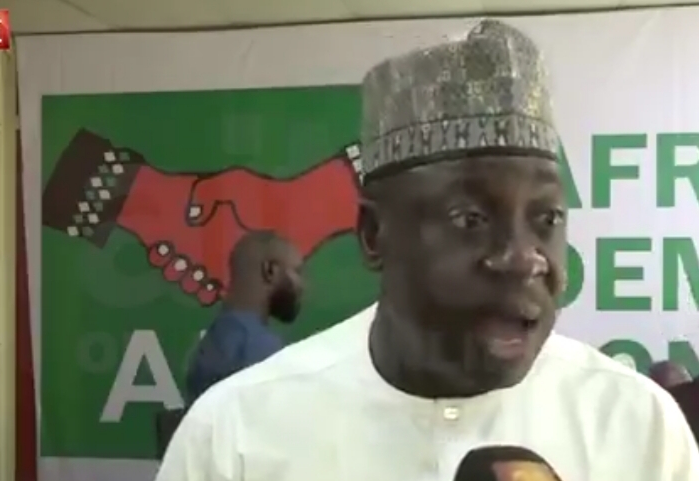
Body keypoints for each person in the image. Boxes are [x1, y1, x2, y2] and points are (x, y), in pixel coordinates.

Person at [157, 20, 698, 480]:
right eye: (470, 219)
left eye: (547, 219)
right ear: (374, 234)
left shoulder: (637, 426)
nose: (523, 257)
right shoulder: (234, 435)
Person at [184, 230, 304, 405]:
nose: (303, 286)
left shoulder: (210, 345)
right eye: (297, 272)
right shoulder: (260, 348)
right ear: (270, 270)